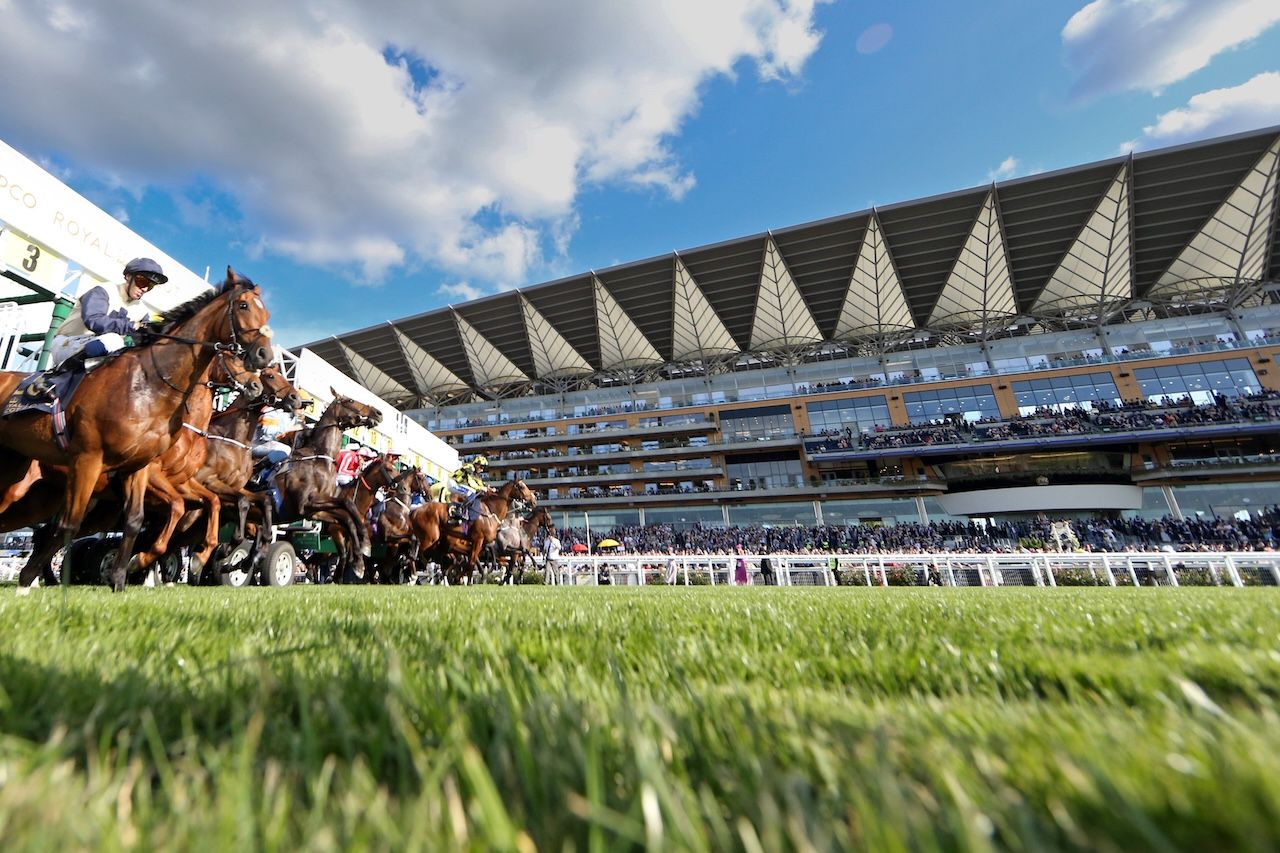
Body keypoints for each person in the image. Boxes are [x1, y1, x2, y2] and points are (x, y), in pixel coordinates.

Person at [29, 257, 167, 397]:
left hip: (101, 353)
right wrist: (132, 326)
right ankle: (53, 378)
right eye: (142, 281)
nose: (144, 289)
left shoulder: (142, 311)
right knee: (113, 340)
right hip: (66, 343)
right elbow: (94, 320)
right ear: (128, 276)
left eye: (149, 286)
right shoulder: (102, 291)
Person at [446, 454, 490, 527]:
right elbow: (471, 482)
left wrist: (488, 488)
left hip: (458, 484)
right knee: (470, 493)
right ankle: (458, 511)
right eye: (482, 466)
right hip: (453, 483)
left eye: (484, 467)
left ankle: (464, 511)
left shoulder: (476, 472)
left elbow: (479, 482)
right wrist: (481, 488)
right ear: (477, 464)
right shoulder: (470, 467)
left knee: (472, 493)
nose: (482, 469)